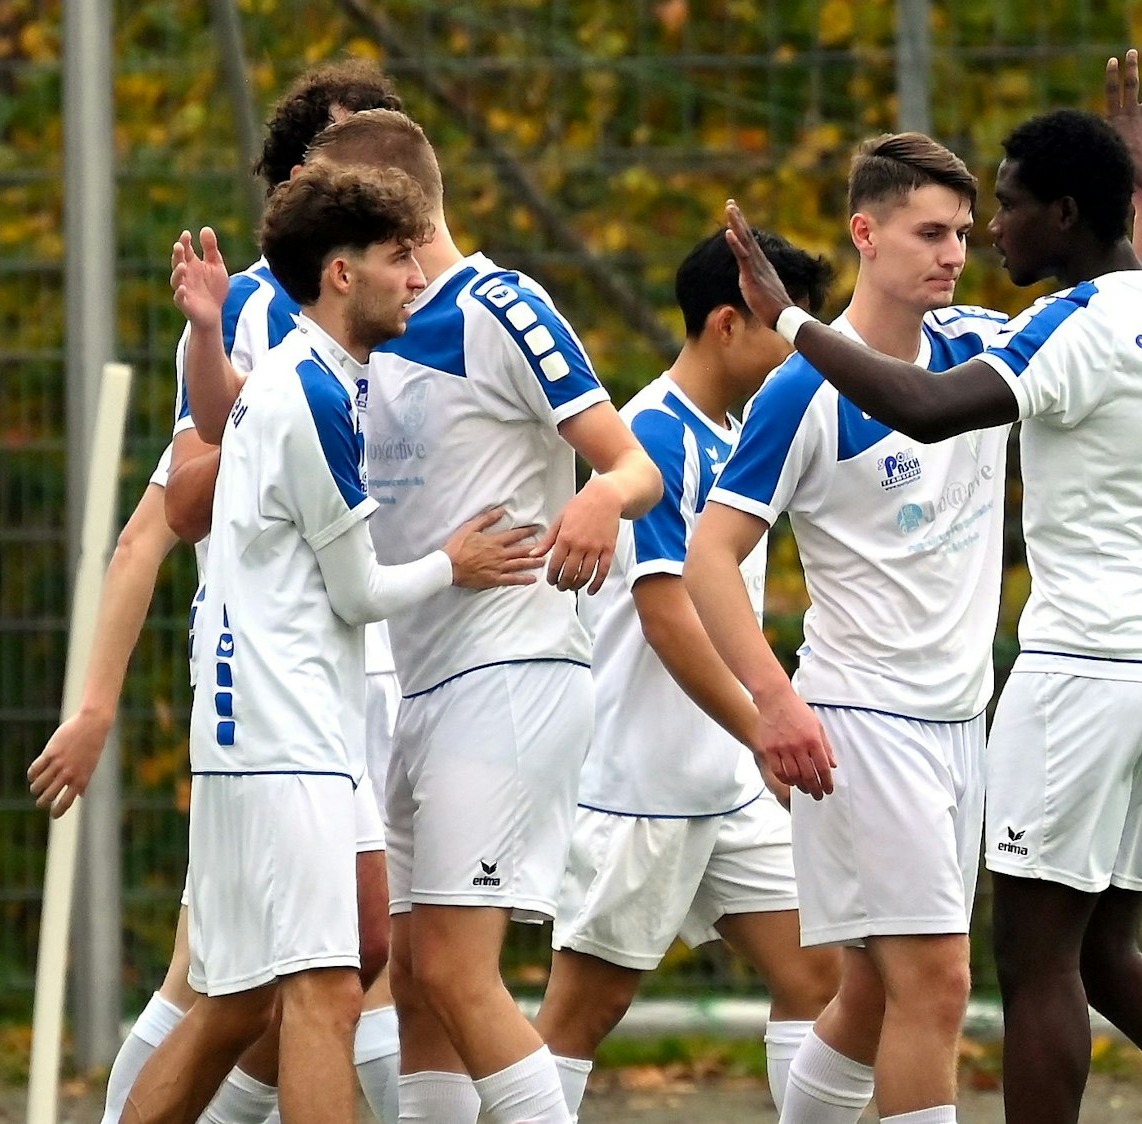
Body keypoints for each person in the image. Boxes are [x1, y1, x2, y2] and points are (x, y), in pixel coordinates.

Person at [720, 51, 1142, 1124]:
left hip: (1078, 677)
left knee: (1028, 969)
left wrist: (790, 321)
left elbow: (927, 407)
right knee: (1039, 966)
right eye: (943, 227)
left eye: (1001, 209)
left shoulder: (1043, 335)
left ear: (1066, 213)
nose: (983, 237)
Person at [250, 108, 664, 1124]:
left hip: (511, 671)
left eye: (336, 199)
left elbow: (632, 464)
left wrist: (600, 500)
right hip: (418, 679)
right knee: (413, 974)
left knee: (450, 965)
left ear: (393, 211)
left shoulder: (500, 307)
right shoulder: (353, 326)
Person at [29, 59, 411, 1124]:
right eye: (354, 150)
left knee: (337, 958)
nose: (382, 167)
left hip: (360, 669)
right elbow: (174, 510)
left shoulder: (415, 291)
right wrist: (94, 708)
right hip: (277, 682)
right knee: (265, 972)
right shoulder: (257, 309)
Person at [124, 162, 540, 1124]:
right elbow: (359, 592)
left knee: (234, 1005)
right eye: (399, 258)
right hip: (284, 742)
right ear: (343, 274)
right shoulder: (310, 392)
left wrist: (202, 332)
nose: (418, 277)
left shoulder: (302, 378)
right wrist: (454, 562)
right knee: (323, 997)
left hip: (251, 736)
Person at [686, 131, 1021, 1124]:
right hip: (864, 724)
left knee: (875, 989)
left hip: (959, 719)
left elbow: (1115, 330)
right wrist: (773, 700)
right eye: (929, 232)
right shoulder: (802, 387)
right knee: (938, 985)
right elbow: (709, 557)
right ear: (864, 234)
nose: (953, 253)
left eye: (961, 233)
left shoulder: (980, 348)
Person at [533, 228, 840, 1120]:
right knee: (583, 1013)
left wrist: (751, 743)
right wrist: (765, 730)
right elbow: (666, 615)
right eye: (781, 328)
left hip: (725, 784)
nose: (797, 351)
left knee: (819, 974)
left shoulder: (736, 432)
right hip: (640, 785)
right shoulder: (656, 434)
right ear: (725, 324)